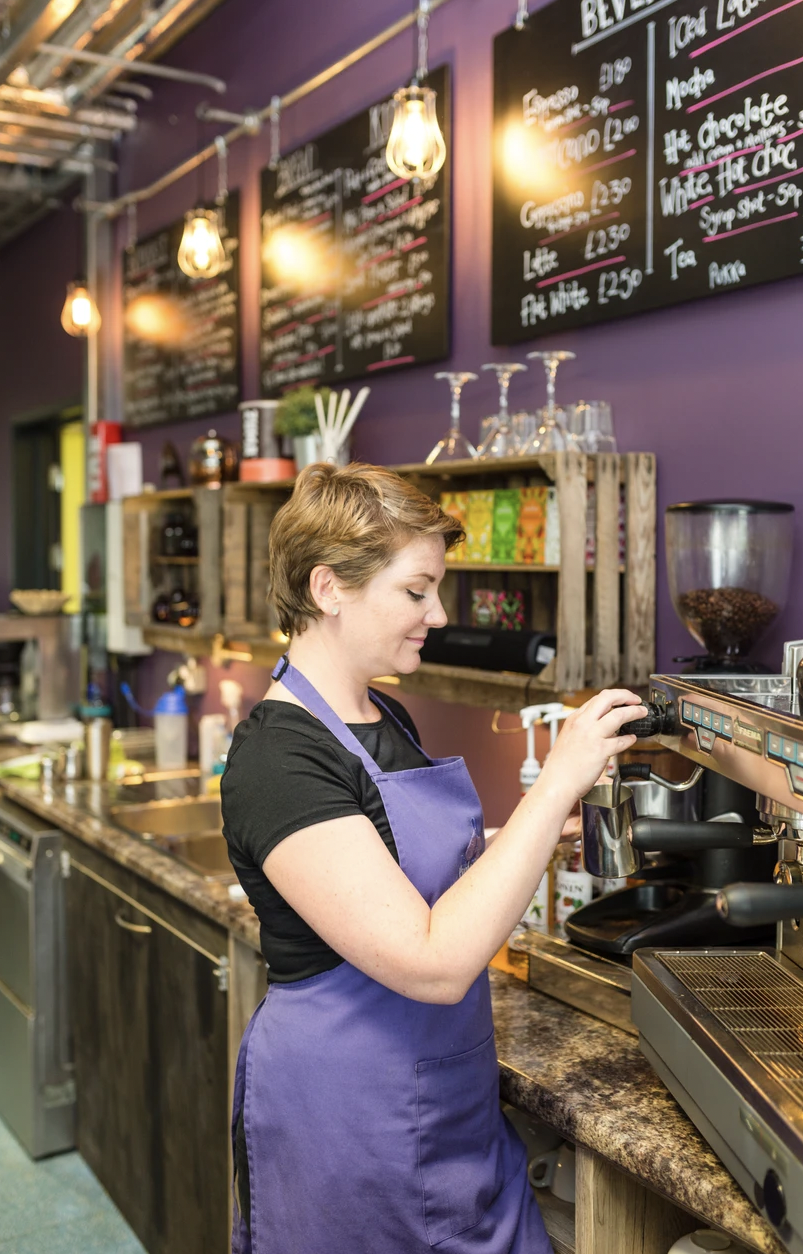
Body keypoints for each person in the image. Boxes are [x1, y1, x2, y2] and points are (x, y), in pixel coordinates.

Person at [222, 462, 646, 1254]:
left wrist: (517, 841)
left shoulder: (383, 710)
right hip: (349, 1121)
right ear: (329, 588)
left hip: (449, 1099)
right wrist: (554, 785)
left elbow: (396, 868)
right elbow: (431, 960)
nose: (438, 613)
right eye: (416, 591)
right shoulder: (278, 759)